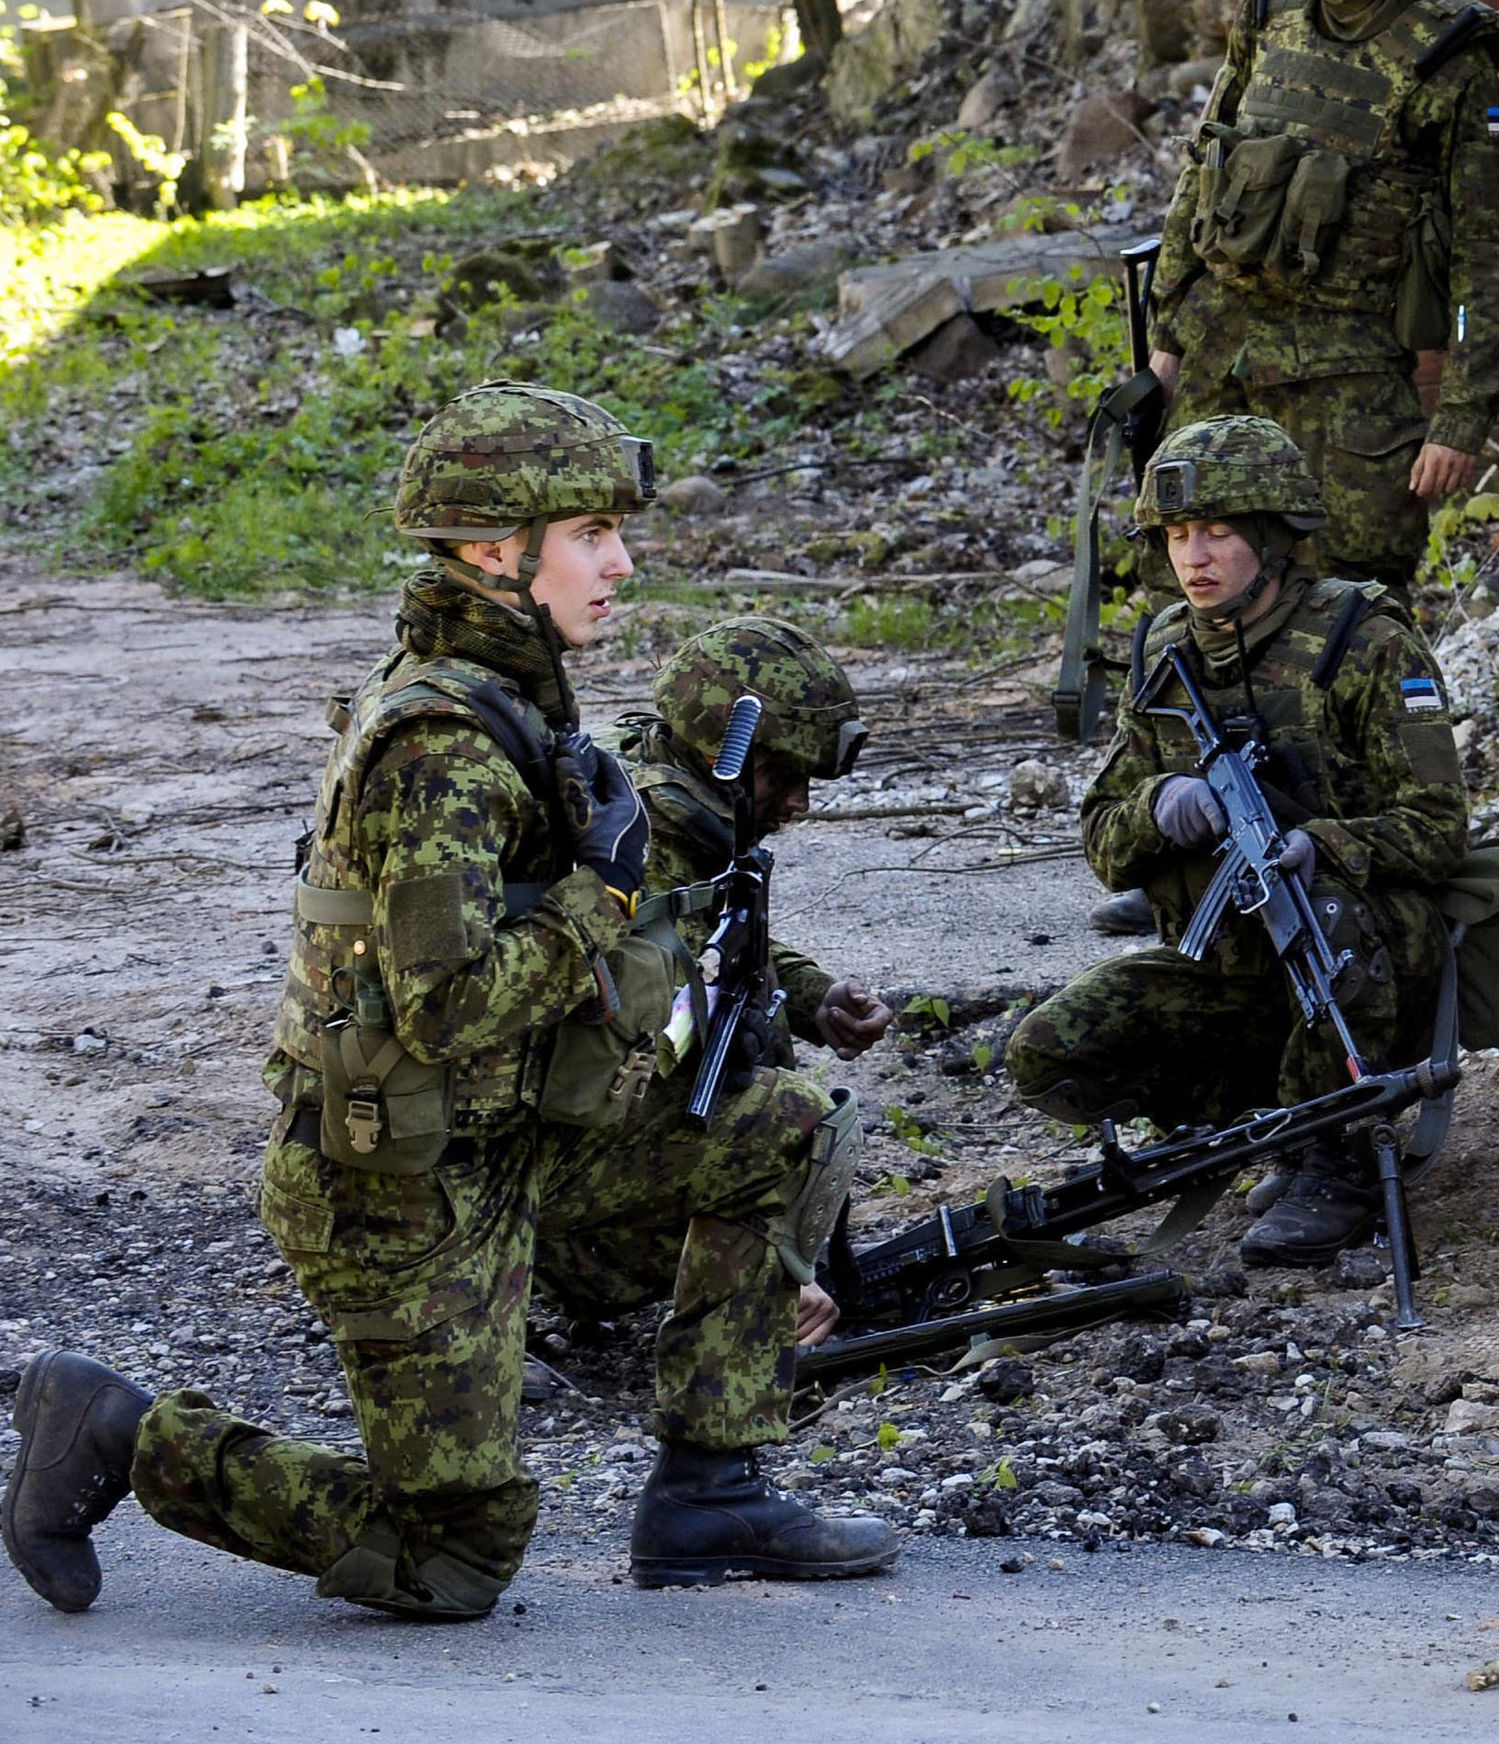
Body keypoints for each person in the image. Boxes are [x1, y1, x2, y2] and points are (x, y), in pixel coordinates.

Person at [4, 386, 894, 1622]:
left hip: (508, 1143)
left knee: (779, 1123)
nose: (622, 562)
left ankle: (712, 1491)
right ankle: (120, 1430)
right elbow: (448, 1007)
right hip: (398, 1188)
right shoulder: (441, 741)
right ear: (494, 550)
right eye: (591, 533)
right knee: (450, 1559)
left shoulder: (516, 696)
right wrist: (603, 897)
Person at [999, 415, 1468, 1270]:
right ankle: (1273, 1122)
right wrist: (1157, 804)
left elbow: (1438, 829)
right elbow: (1104, 840)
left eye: (1216, 532)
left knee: (1324, 908)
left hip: (1362, 962)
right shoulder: (1166, 650)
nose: (1194, 558)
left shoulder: (1365, 640)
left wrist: (1320, 844)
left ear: (1272, 535)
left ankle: (1343, 1160)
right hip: (1229, 964)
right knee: (1046, 1051)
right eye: (1178, 535)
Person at [1144, 0, 1499, 600]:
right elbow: (1201, 174)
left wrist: (1460, 416)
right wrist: (1166, 333)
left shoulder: (1446, 55)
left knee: (1352, 605)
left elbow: (1482, 254)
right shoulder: (1267, 12)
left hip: (1346, 378)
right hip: (1223, 355)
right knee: (1194, 595)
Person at [532, 616, 895, 1362]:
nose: (798, 804)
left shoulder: (662, 800)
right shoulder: (630, 841)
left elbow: (708, 937)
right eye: (783, 776)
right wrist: (773, 1258)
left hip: (553, 1167)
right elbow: (644, 997)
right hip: (535, 1184)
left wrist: (808, 993)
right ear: (720, 752)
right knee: (801, 1122)